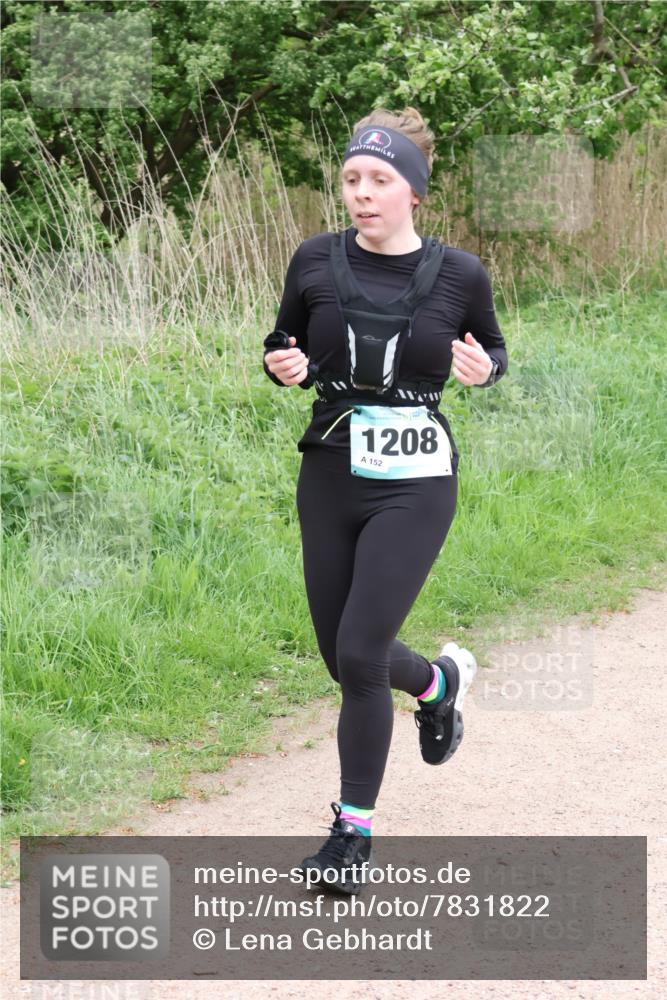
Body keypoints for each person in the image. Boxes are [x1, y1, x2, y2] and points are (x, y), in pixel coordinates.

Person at [263, 107, 508, 895]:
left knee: (362, 654)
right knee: (342, 655)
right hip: (329, 472)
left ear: (413, 190)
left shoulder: (460, 273)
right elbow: (281, 342)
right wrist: (282, 366)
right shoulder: (314, 259)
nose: (361, 193)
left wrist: (485, 370)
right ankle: (437, 684)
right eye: (350, 179)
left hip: (415, 482)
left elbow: (492, 347)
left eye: (378, 179)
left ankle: (352, 834)